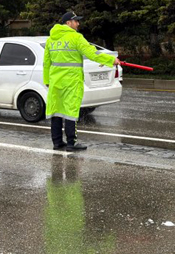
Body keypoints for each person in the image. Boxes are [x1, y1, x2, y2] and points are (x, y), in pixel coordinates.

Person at [43, 11, 121, 151]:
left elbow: (46, 63)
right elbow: (92, 53)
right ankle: (71, 143)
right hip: (72, 80)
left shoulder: (51, 40)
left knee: (56, 110)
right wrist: (111, 60)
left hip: (55, 81)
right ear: (68, 23)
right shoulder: (76, 37)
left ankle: (57, 143)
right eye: (76, 21)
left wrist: (46, 80)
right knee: (71, 111)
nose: (78, 23)